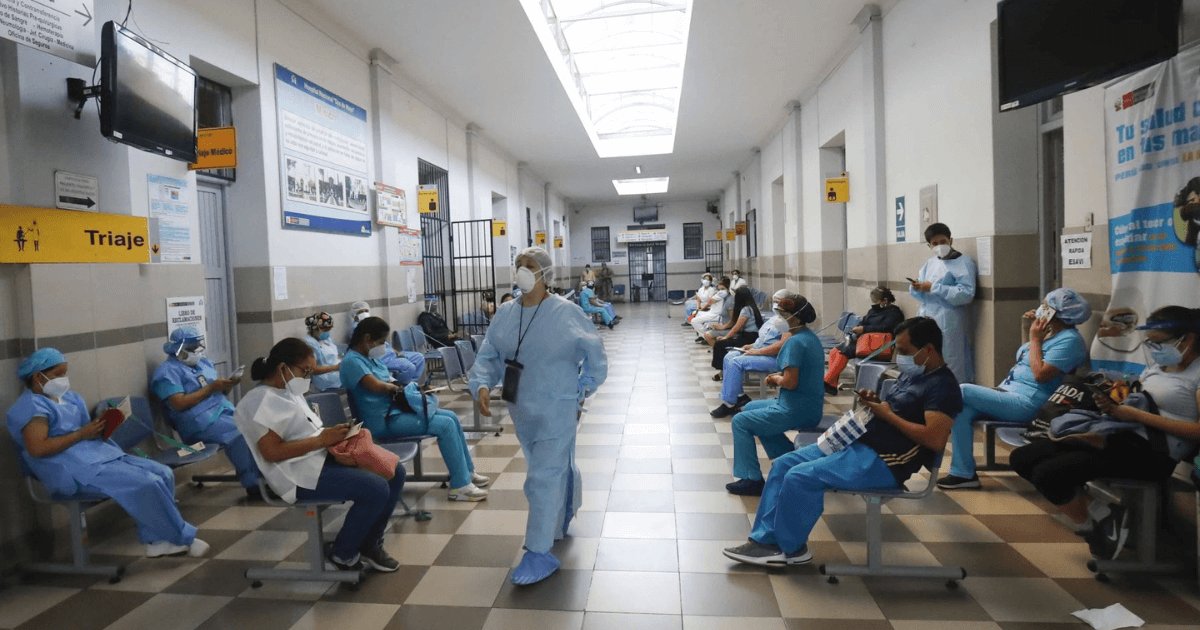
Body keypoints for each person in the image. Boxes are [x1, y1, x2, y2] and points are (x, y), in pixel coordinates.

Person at [723, 317, 962, 566]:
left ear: (928, 349)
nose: (899, 357)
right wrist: (877, 403)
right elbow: (898, 409)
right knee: (783, 464)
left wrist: (887, 415)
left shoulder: (942, 388)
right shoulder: (913, 376)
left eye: (904, 351)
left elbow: (934, 439)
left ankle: (789, 549)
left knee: (799, 477)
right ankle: (764, 540)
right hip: (860, 442)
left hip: (885, 462)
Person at [1011, 306, 1200, 560]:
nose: (1154, 349)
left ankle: (1096, 528)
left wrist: (1136, 416)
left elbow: (1197, 431)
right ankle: (1104, 516)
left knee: (1048, 474)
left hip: (1154, 454)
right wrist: (1114, 401)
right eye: (1150, 343)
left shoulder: (1196, 374)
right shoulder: (1159, 367)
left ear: (1187, 339)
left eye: (1159, 343)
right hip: (1122, 436)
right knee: (1023, 458)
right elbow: (1141, 399)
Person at [469, 246, 608, 586]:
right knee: (549, 466)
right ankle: (562, 513)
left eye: (529, 265)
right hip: (521, 406)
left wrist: (583, 386)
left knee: (542, 476)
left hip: (558, 404)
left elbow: (595, 354)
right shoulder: (506, 313)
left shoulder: (566, 313)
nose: (521, 270)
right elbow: (489, 353)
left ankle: (538, 551)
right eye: (518, 264)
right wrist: (482, 384)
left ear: (545, 273)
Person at [7, 348, 209, 558]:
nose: (63, 379)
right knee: (146, 483)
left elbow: (86, 431)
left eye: (64, 373)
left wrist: (103, 425)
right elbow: (38, 448)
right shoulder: (31, 407)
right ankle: (184, 537)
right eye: (58, 374)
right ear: (38, 377)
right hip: (69, 470)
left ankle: (157, 541)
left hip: (98, 456)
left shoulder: (71, 399)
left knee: (163, 473)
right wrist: (81, 434)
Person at [235, 338, 404, 573]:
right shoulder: (259, 402)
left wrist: (336, 438)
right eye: (306, 371)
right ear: (283, 367)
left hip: (318, 459)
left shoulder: (288, 391)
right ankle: (343, 553)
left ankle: (369, 542)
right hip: (296, 476)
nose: (309, 378)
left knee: (394, 470)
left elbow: (309, 432)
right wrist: (322, 441)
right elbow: (272, 452)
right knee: (375, 488)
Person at [937, 288, 1092, 489]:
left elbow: (1041, 374)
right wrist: (1030, 331)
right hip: (1009, 393)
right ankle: (963, 473)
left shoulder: (1070, 341)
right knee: (962, 411)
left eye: (1046, 306)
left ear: (1055, 312)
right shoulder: (1050, 334)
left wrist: (1035, 339)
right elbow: (1025, 357)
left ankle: (920, 421)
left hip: (1029, 403)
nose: (1041, 308)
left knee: (963, 390)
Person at [341, 316, 489, 501]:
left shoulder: (369, 358)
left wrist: (411, 388)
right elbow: (377, 385)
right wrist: (400, 388)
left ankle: (466, 472)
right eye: (381, 342)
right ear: (367, 339)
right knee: (445, 426)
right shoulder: (352, 362)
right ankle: (460, 486)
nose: (383, 346)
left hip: (394, 412)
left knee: (451, 416)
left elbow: (389, 379)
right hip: (381, 422)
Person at [725, 292, 825, 496]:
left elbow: (790, 382)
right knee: (750, 408)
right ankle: (788, 458)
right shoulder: (809, 337)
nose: (779, 319)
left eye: (783, 315)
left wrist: (775, 379)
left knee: (740, 421)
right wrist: (780, 376)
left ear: (795, 317)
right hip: (807, 404)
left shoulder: (795, 342)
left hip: (796, 408)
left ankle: (752, 479)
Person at [151, 327, 261, 497]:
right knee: (239, 433)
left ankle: (268, 477)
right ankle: (253, 484)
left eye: (197, 346)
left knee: (257, 426)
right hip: (198, 425)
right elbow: (178, 403)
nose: (196, 351)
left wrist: (227, 385)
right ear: (179, 349)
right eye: (192, 347)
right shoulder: (167, 372)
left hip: (222, 413)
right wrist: (211, 388)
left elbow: (218, 394)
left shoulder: (204, 364)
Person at [909, 223, 978, 384]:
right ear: (929, 246)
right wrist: (917, 287)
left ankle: (953, 395)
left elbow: (966, 294)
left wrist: (934, 287)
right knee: (928, 359)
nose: (939, 246)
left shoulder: (963, 262)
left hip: (949, 321)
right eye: (935, 243)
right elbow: (922, 294)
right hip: (927, 319)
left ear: (950, 240)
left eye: (943, 241)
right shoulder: (930, 263)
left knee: (951, 359)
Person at [711, 290, 795, 418]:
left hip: (773, 357)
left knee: (736, 362)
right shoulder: (774, 319)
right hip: (760, 351)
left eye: (778, 302)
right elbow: (763, 339)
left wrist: (757, 351)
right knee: (729, 356)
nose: (775, 305)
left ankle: (729, 403)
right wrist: (751, 346)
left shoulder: (788, 322)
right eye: (774, 301)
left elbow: (780, 346)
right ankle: (739, 396)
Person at [823, 287, 905, 395]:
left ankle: (826, 381)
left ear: (885, 300)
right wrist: (859, 327)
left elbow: (886, 328)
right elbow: (864, 321)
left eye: (876, 301)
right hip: (865, 341)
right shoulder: (873, 311)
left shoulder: (894, 313)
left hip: (878, 346)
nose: (874, 304)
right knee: (835, 351)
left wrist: (864, 329)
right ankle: (832, 385)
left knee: (843, 352)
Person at [348, 301, 426, 385]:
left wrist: (395, 351)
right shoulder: (357, 329)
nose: (364, 313)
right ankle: (405, 386)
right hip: (381, 357)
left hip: (390, 353)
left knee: (419, 357)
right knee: (408, 367)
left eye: (366, 311)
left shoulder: (373, 325)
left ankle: (413, 385)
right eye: (361, 312)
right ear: (354, 315)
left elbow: (384, 343)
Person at [705, 286, 763, 377]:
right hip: (752, 336)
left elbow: (736, 327)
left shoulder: (746, 310)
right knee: (722, 343)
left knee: (720, 344)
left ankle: (723, 372)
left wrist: (725, 337)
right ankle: (724, 370)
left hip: (749, 338)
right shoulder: (753, 307)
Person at [302, 311, 342, 392]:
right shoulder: (309, 344)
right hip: (323, 380)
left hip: (335, 374)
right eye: (325, 329)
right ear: (314, 329)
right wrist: (335, 368)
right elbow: (313, 370)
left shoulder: (326, 339)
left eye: (329, 329)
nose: (327, 332)